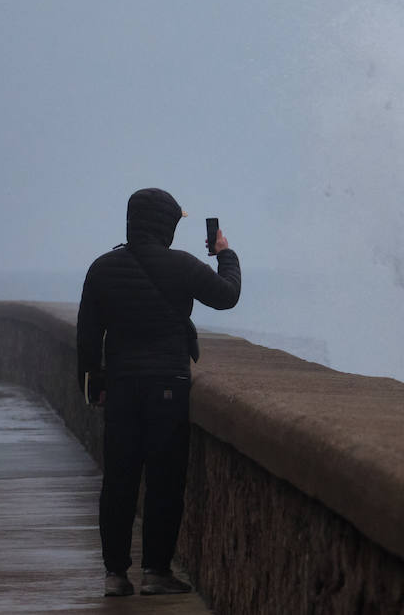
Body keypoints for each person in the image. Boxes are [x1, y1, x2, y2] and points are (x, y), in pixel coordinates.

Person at [77, 188, 241, 597]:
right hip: (168, 386)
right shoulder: (181, 266)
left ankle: (115, 574)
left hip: (121, 387)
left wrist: (94, 385)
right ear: (165, 224)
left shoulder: (102, 268)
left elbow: (87, 337)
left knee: (119, 480)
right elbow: (227, 296)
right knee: (165, 481)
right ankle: (155, 572)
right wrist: (225, 253)